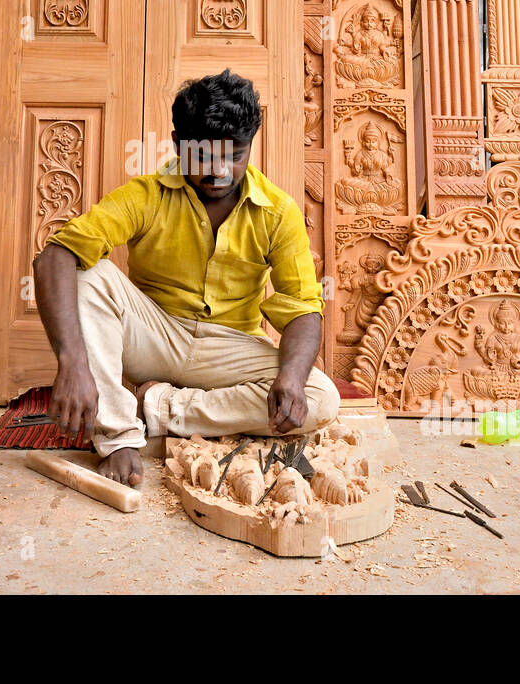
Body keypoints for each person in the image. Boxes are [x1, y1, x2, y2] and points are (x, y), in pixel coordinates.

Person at [32, 70, 339, 486]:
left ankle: (157, 406)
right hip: (154, 336)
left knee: (320, 396)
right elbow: (54, 257)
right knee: (89, 272)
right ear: (178, 145)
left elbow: (303, 308)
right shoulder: (146, 195)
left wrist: (289, 377)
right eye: (203, 155)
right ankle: (118, 437)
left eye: (234, 154)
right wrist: (71, 363)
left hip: (227, 349)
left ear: (250, 145)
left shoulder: (278, 211)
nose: (219, 171)